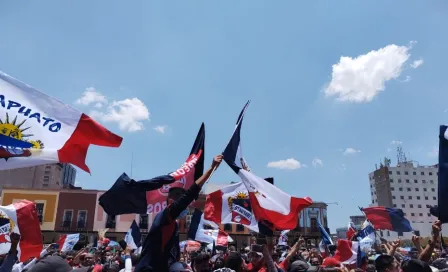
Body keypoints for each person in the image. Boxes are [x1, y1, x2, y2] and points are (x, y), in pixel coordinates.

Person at [135, 154, 224, 272]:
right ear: (169, 201)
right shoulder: (163, 217)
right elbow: (190, 194)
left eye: (182, 197)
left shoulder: (174, 225)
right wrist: (211, 168)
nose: (183, 202)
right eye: (178, 196)